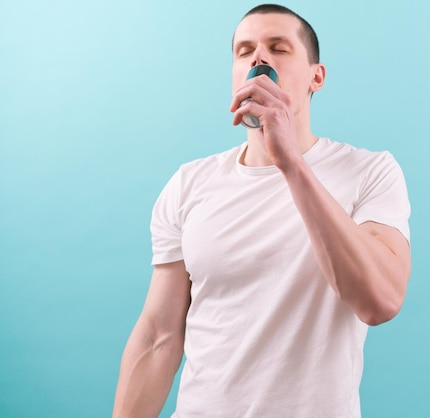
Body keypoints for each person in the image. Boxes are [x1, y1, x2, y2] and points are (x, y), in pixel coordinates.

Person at [112, 4, 411, 417]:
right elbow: (159, 337)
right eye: (244, 50)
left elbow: (381, 301)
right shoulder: (188, 184)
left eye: (279, 48)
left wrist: (291, 163)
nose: (258, 59)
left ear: (315, 77)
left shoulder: (369, 171)